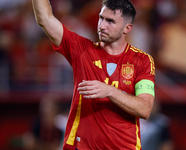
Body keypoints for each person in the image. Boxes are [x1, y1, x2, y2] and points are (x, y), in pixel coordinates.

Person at [32, 0, 155, 149]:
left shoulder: (142, 61)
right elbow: (45, 19)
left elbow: (145, 109)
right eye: (101, 18)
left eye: (110, 21)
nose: (102, 26)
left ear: (126, 28)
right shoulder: (82, 51)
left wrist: (110, 91)